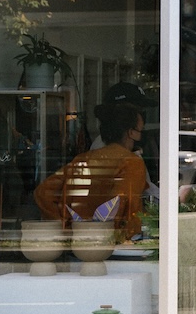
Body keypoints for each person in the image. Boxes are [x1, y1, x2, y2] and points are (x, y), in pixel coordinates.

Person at [34, 101, 148, 241]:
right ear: (131, 133)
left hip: (79, 244)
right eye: (141, 131)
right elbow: (126, 205)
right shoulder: (132, 163)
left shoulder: (83, 159)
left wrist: (66, 228)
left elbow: (42, 193)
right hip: (113, 245)